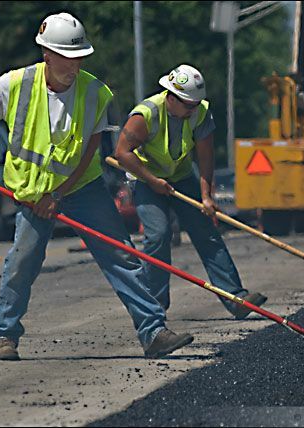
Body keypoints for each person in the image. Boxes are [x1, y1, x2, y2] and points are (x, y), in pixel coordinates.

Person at [0, 12, 193, 360]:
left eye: (80, 58)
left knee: (119, 254)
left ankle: (153, 331)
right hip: (32, 193)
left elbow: (87, 154)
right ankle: (5, 335)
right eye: (67, 57)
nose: (74, 66)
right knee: (23, 260)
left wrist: (59, 195)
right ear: (47, 54)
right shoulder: (16, 84)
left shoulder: (96, 93)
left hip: (81, 187)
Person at [115, 64, 268, 319]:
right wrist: (152, 181)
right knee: (158, 235)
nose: (192, 110)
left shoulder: (200, 113)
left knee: (206, 231)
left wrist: (207, 196)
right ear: (170, 97)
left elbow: (205, 157)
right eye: (188, 105)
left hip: (183, 175)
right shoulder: (145, 115)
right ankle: (153, 307)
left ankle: (235, 297)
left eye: (196, 104)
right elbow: (121, 153)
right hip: (145, 179)